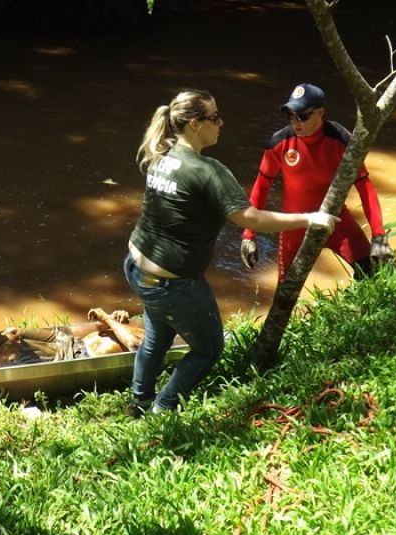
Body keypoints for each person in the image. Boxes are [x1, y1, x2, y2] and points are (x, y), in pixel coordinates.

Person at [124, 89, 339, 417]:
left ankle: (139, 403)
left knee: (156, 337)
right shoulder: (207, 170)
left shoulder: (161, 155)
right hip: (173, 282)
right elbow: (251, 219)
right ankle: (163, 409)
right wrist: (309, 218)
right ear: (195, 124)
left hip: (137, 268)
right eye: (214, 117)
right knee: (209, 348)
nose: (221, 123)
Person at [240, 83, 395, 280]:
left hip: (336, 221)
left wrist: (379, 236)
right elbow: (261, 187)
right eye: (291, 116)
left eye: (302, 116)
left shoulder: (341, 139)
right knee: (286, 290)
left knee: (374, 274)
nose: (296, 123)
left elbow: (365, 187)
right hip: (294, 226)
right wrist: (248, 235)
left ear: (320, 112)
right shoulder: (279, 143)